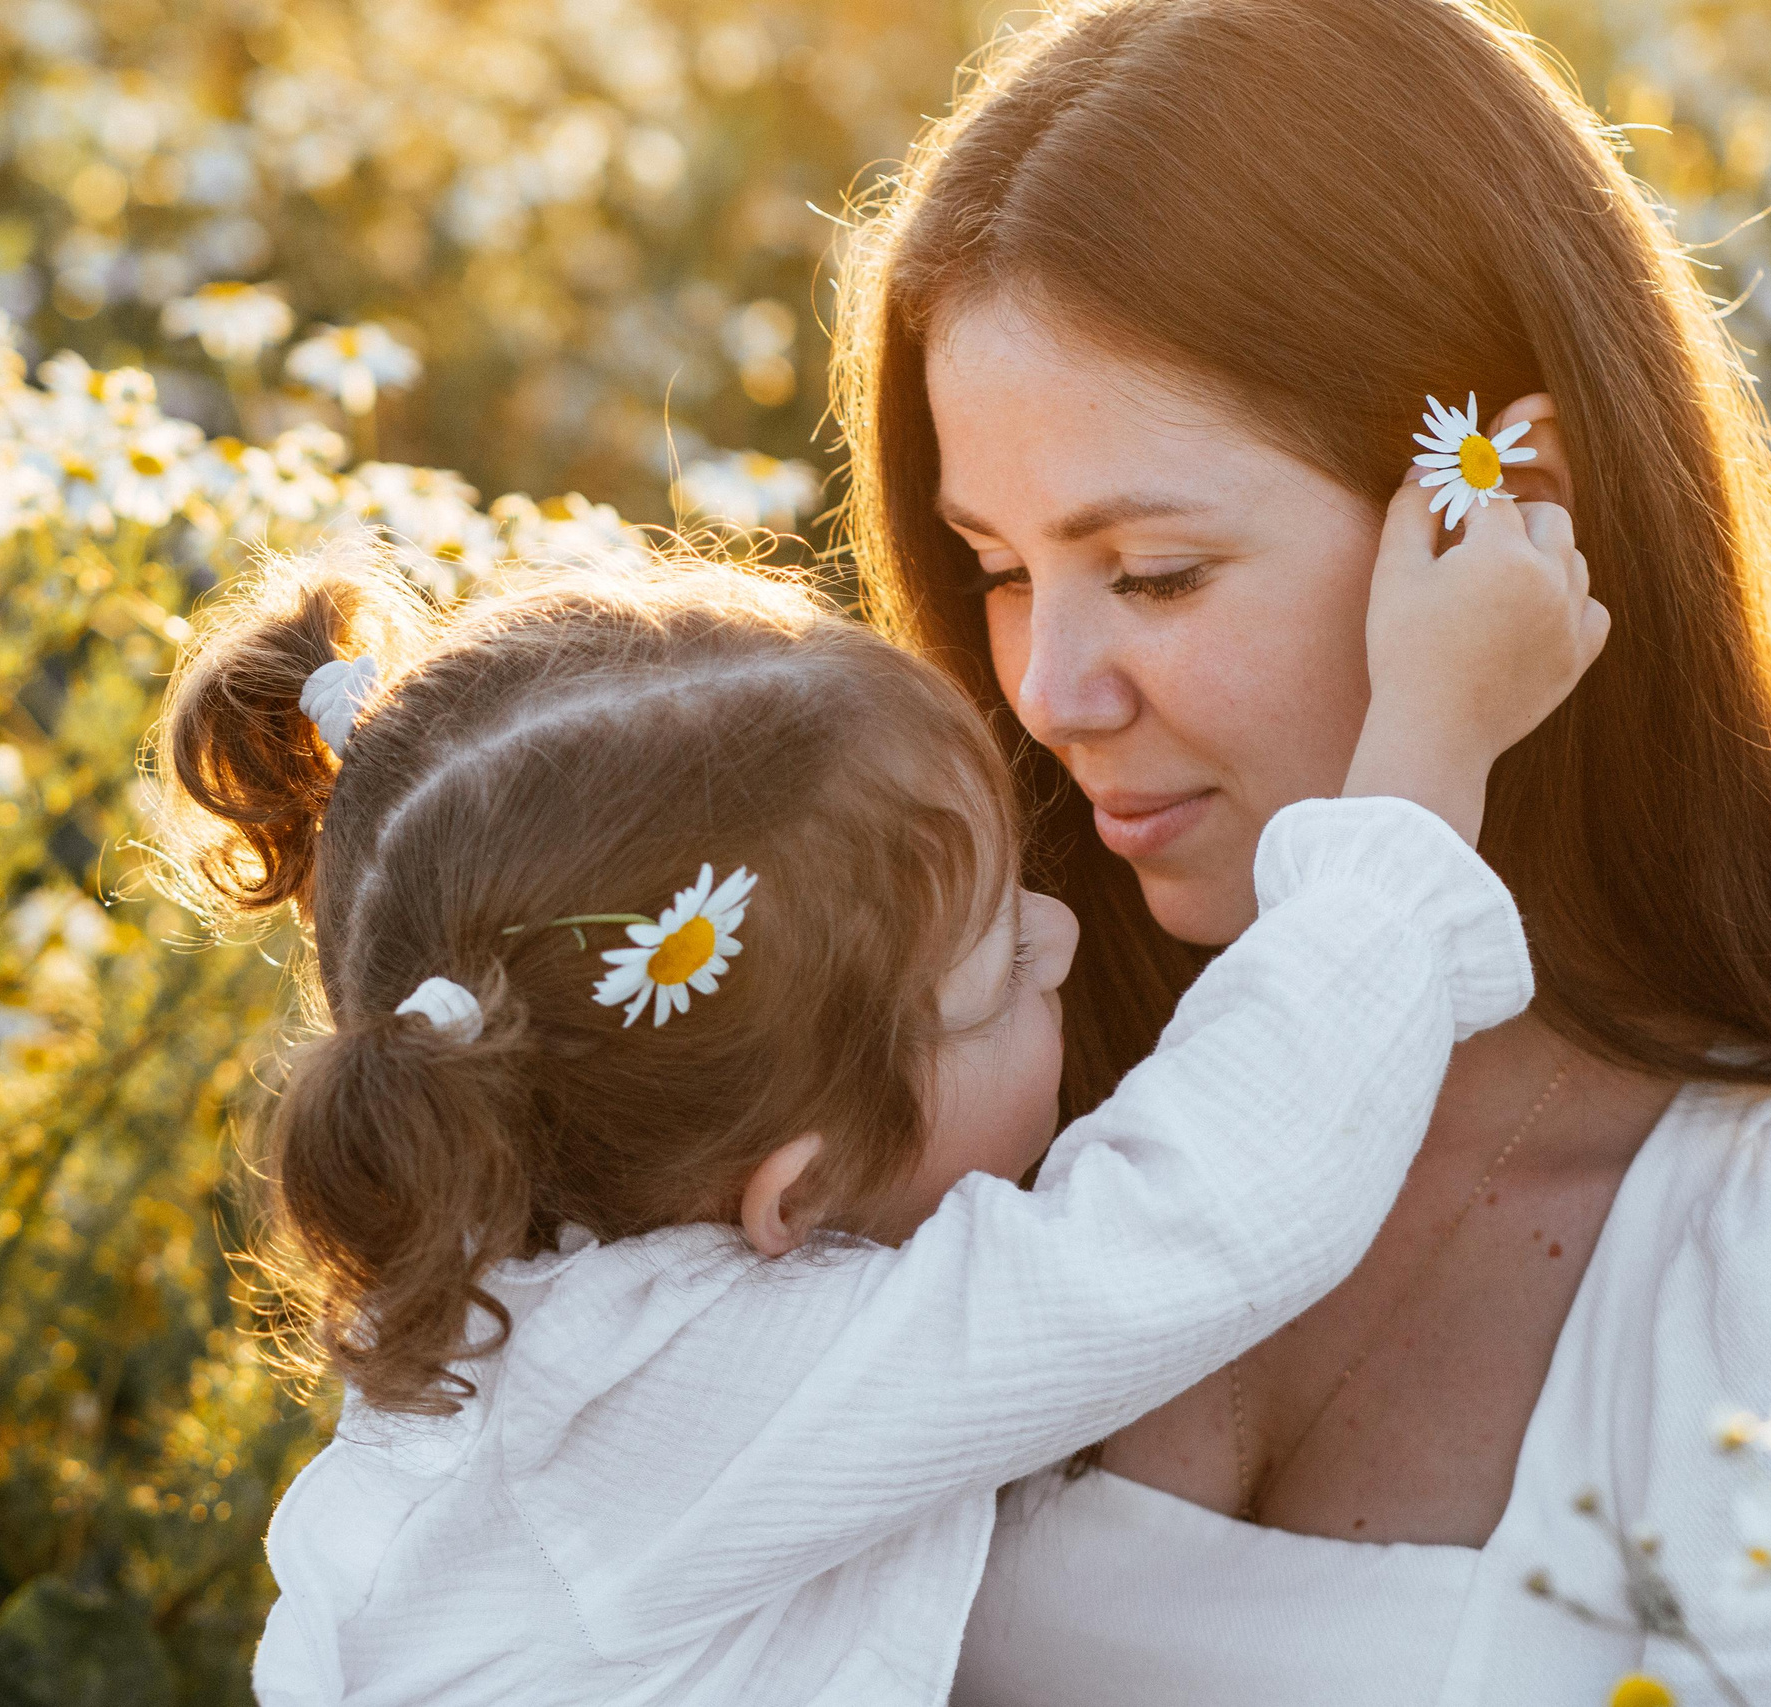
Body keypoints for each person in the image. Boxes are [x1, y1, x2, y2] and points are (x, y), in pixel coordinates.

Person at [829, 0, 1771, 1700]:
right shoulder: (984, 1118)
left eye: (1156, 573)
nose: (1050, 693)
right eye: (996, 569)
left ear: (1503, 503)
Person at [154, 511, 1600, 1704]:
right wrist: (1425, 758)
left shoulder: (558, 1300)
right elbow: (1191, 1218)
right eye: (994, 973)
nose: (1065, 937)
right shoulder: (680, 1397)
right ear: (795, 1194)